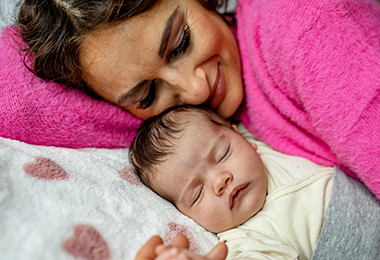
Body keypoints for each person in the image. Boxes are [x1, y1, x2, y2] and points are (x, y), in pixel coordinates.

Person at [4, 0, 378, 201]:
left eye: (181, 42)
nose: (196, 91)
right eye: (149, 94)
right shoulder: (184, 134)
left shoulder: (301, 20)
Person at [129, 105, 336, 259]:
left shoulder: (261, 141)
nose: (220, 181)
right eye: (198, 193)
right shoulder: (245, 240)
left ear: (239, 135)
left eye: (222, 155)